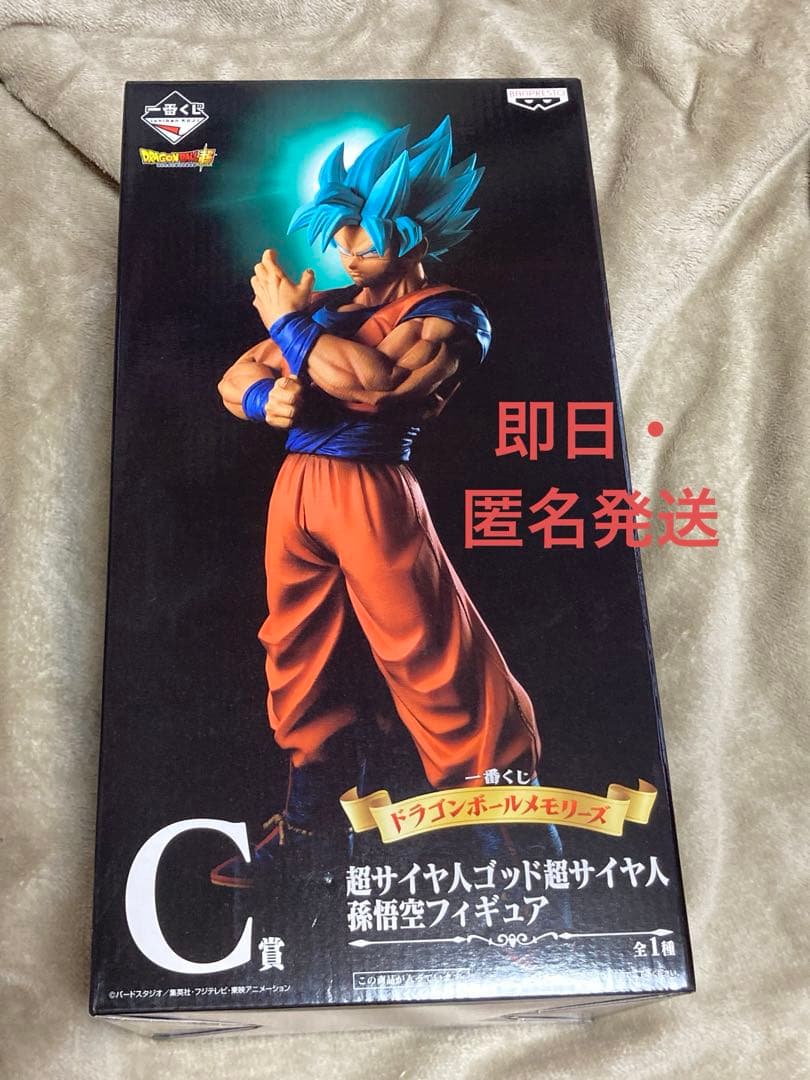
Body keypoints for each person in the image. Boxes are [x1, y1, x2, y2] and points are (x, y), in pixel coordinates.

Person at [211, 117, 540, 888]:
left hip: (372, 487)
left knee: (432, 659)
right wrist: (266, 398)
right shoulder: (331, 307)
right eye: (340, 231)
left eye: (364, 227)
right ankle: (309, 839)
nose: (347, 245)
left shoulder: (449, 313)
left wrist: (287, 326)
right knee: (297, 659)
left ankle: (507, 854)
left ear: (413, 228)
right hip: (298, 489)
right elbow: (235, 378)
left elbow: (377, 387)